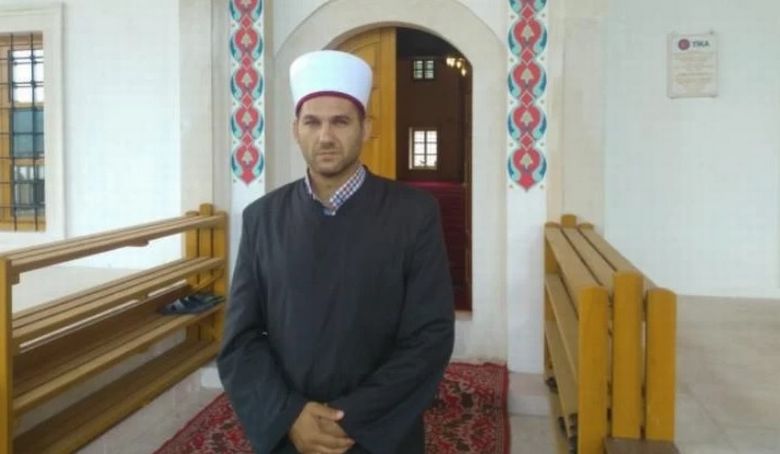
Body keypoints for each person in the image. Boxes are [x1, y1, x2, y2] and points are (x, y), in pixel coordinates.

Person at [217, 50, 455, 454]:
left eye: (340, 121)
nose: (325, 136)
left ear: (366, 128)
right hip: (290, 436)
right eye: (312, 122)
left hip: (379, 435)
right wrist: (289, 415)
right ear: (295, 130)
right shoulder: (262, 218)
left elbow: (429, 336)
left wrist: (350, 420)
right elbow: (241, 339)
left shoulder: (414, 215)